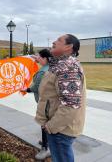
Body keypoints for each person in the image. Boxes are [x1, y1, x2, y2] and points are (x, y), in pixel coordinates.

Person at [35, 34, 86, 162]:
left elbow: (70, 104)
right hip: (59, 128)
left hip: (60, 130)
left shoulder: (67, 68)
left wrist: (51, 126)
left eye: (58, 40)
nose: (53, 41)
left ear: (68, 47)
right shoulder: (61, 64)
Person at [21, 49, 52, 160]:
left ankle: (45, 148)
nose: (37, 59)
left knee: (44, 123)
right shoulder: (52, 66)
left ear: (44, 58)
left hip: (45, 103)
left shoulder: (42, 72)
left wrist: (25, 89)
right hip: (50, 101)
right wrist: (34, 57)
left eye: (39, 57)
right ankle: (47, 141)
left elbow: (35, 87)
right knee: (48, 122)